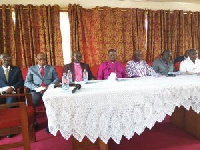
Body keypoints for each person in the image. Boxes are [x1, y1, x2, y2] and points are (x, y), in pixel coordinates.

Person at [24, 52, 59, 132]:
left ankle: (51, 124)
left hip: (48, 90)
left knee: (53, 102)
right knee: (30, 102)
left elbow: (57, 79)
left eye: (43, 59)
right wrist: (36, 87)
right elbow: (27, 82)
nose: (42, 61)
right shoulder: (31, 69)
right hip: (36, 90)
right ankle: (33, 123)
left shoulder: (51, 68)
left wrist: (49, 86)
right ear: (36, 59)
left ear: (46, 59)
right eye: (40, 59)